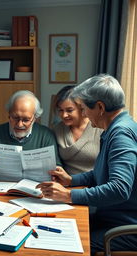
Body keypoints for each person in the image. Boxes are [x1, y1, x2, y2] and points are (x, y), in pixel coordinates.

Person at [37, 74, 137, 254]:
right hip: (112, 217)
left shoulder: (121, 134)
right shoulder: (116, 127)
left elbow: (120, 188)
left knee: (65, 245)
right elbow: (100, 173)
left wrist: (69, 196)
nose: (84, 114)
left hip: (127, 226)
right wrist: (71, 181)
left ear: (100, 107)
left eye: (84, 109)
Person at [0, 90, 61, 181]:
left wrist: (55, 175)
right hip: (0, 191)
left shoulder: (46, 135)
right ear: (9, 114)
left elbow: (58, 170)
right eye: (15, 117)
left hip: (36, 191)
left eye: (26, 120)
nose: (19, 124)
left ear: (35, 118)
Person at [52, 85, 102, 174]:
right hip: (66, 184)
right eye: (60, 110)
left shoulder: (99, 128)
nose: (64, 115)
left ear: (82, 108)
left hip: (94, 185)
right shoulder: (57, 130)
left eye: (69, 110)